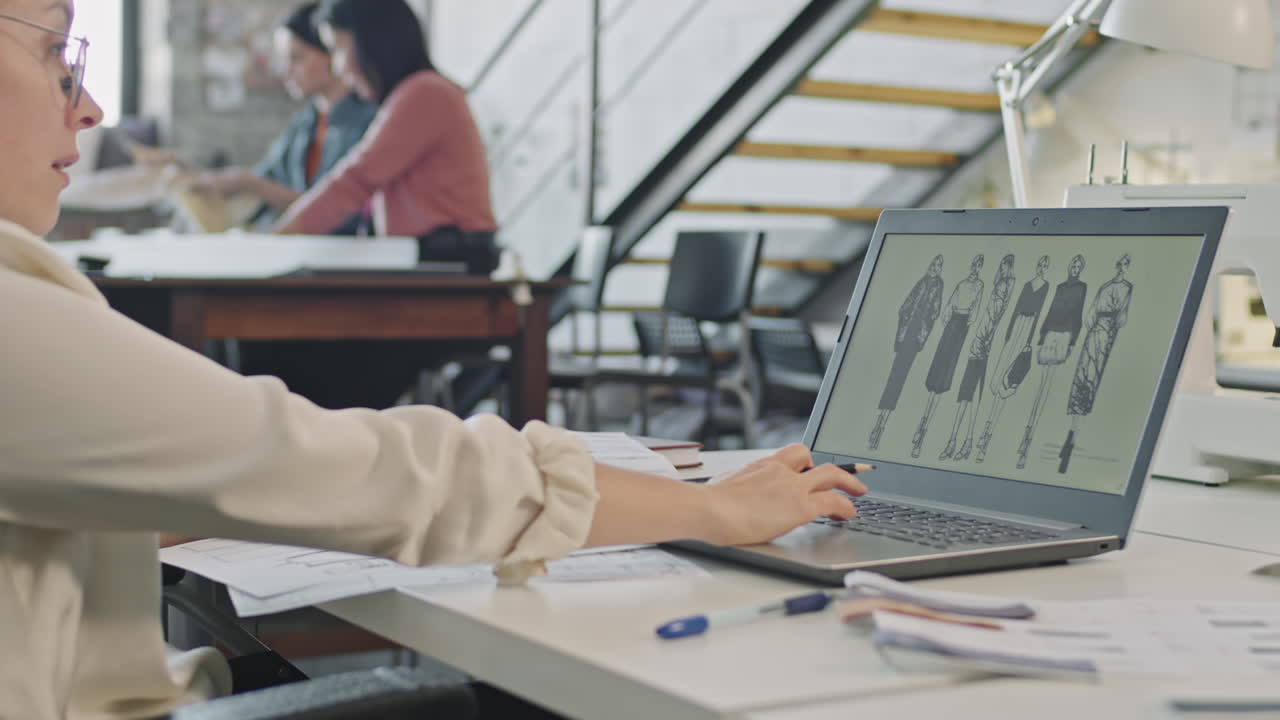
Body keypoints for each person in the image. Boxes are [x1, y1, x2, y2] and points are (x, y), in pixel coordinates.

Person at [0, 2, 870, 716]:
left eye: (336, 47)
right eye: (58, 59)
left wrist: (227, 482)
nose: (90, 107)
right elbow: (378, 468)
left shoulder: (418, 95)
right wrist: (707, 510)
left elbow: (351, 191)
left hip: (455, 274)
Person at [276, 0, 499, 275]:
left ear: (370, 43)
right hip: (436, 257)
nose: (338, 67)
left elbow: (357, 179)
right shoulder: (413, 94)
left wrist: (280, 237)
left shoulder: (425, 93)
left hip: (449, 259)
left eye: (338, 49)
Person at [194, 2, 376, 234]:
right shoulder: (303, 125)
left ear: (332, 53)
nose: (285, 70)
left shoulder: (369, 123)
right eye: (284, 60)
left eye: (296, 58)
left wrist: (251, 184)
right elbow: (267, 177)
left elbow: (340, 208)